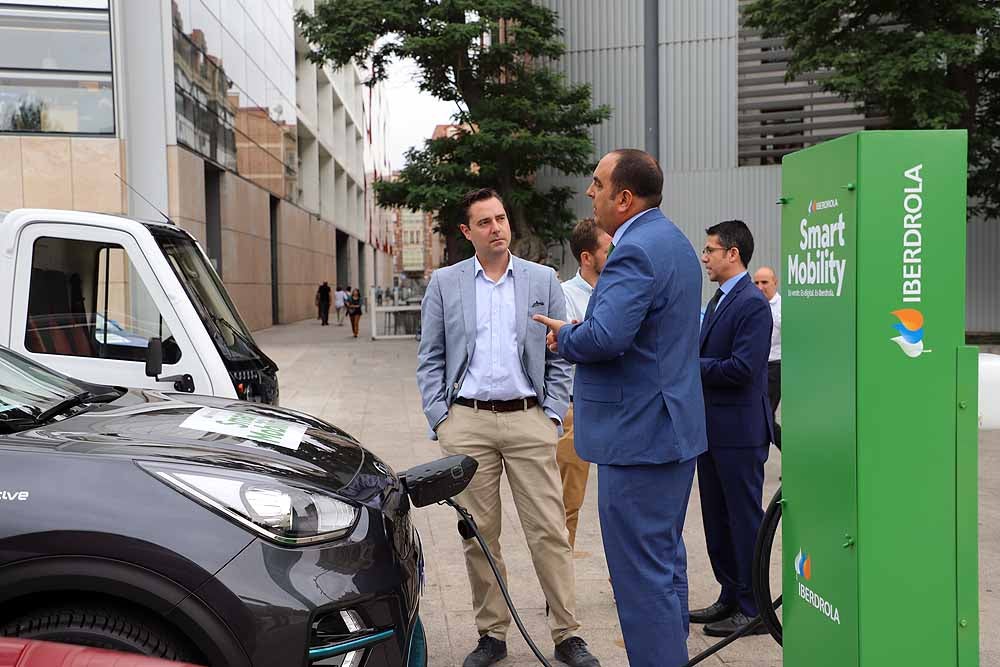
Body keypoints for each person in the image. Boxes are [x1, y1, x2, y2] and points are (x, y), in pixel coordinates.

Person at [534, 149, 707, 667]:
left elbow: (607, 336)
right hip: (668, 433)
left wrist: (567, 338)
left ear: (624, 198)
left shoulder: (633, 250)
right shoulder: (673, 241)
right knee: (664, 565)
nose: (590, 192)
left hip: (638, 438)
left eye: (597, 183)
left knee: (640, 580)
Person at [416, 188, 599, 667]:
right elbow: (431, 355)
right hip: (467, 422)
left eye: (500, 218)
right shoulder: (446, 283)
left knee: (549, 531)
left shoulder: (540, 279)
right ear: (466, 232)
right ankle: (491, 635)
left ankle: (567, 634)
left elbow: (560, 351)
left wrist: (553, 413)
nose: (497, 227)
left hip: (529, 421)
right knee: (478, 534)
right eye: (485, 222)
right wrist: (441, 418)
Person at [691, 220, 773, 638]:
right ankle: (730, 594)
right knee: (716, 518)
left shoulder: (752, 304)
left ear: (732, 254)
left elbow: (743, 369)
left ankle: (754, 607)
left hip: (740, 433)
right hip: (712, 431)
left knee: (743, 519)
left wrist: (691, 367)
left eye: (710, 250)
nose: (704, 258)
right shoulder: (719, 300)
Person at [558, 218, 612, 549]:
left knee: (621, 501)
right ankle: (559, 590)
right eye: (608, 249)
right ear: (587, 257)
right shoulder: (563, 295)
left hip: (618, 407)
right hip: (575, 410)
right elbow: (567, 349)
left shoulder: (620, 293)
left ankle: (623, 580)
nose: (617, 253)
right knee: (567, 502)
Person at [753, 266, 781, 449]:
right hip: (757, 367)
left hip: (775, 367)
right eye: (756, 283)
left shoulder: (784, 308)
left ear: (775, 283)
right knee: (761, 417)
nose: (760, 287)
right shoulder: (753, 304)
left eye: (765, 282)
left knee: (765, 417)